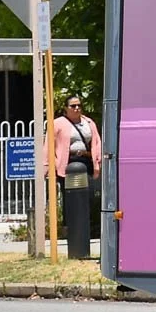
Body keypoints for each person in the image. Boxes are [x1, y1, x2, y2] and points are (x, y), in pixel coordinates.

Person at [53, 95, 102, 259]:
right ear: (66, 108)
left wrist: (97, 160)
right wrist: (50, 165)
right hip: (68, 165)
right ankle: (70, 231)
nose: (76, 109)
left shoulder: (89, 122)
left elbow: (97, 142)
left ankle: (87, 230)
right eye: (73, 106)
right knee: (70, 200)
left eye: (79, 105)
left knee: (88, 196)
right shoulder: (58, 123)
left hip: (86, 162)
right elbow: (49, 146)